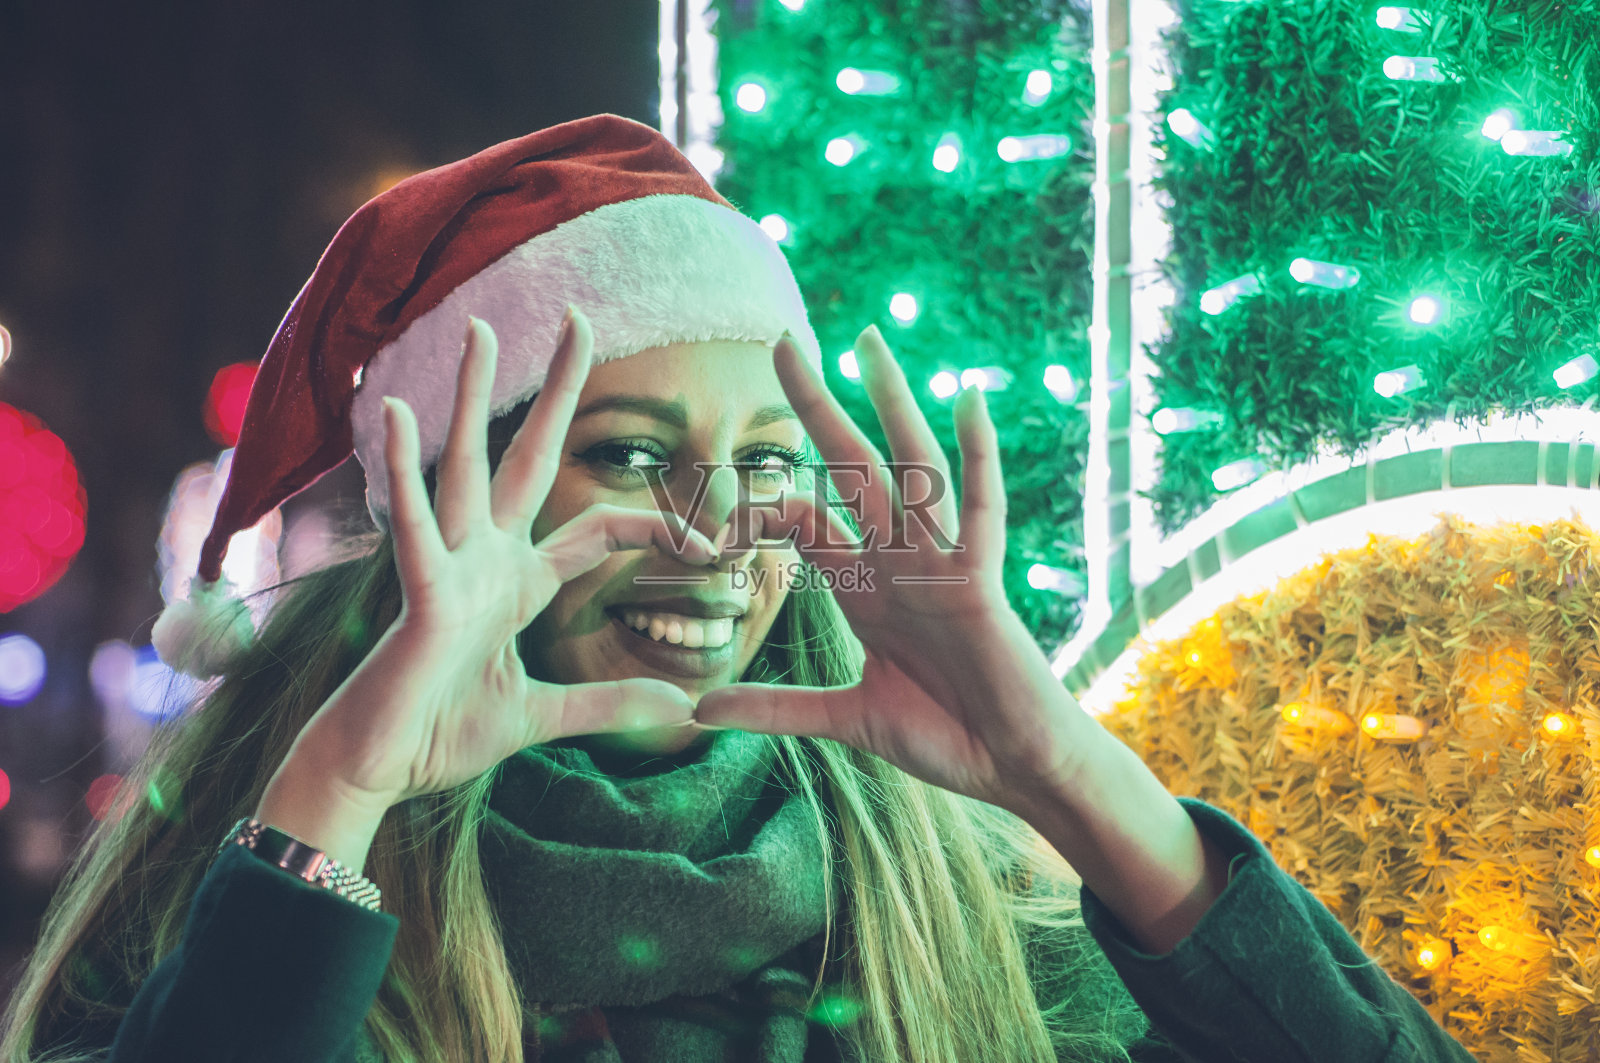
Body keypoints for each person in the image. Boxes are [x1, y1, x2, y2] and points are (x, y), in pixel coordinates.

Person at [0, 114, 1474, 1063]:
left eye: (768, 462)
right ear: (451, 501)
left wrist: (1061, 768)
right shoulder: (242, 869)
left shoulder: (959, 887)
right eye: (634, 457)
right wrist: (340, 796)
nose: (718, 536)